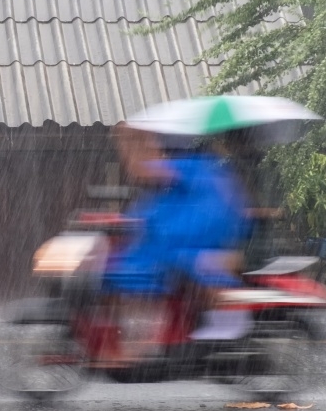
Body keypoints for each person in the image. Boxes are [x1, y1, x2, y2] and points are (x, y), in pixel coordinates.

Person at [99, 123, 253, 362]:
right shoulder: (200, 172)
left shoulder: (196, 167)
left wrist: (129, 140)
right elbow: (148, 206)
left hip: (192, 243)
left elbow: (142, 170)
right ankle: (138, 336)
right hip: (174, 241)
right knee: (121, 266)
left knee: (139, 270)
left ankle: (146, 338)